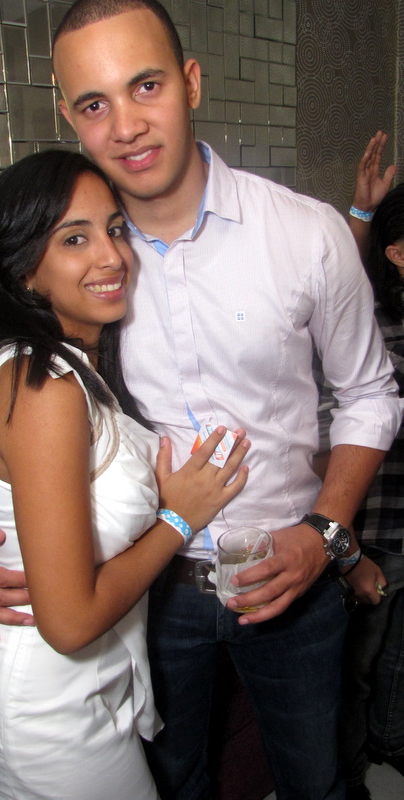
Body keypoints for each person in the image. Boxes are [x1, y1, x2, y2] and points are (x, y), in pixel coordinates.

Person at [0, 2, 402, 798]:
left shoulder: (308, 234)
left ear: (190, 83)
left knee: (318, 782)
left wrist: (324, 533)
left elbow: (368, 392)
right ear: (70, 118)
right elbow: (27, 407)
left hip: (290, 572)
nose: (125, 126)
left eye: (146, 86)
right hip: (144, 593)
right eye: (95, 104)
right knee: (173, 781)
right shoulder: (82, 262)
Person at [0, 148, 250, 800]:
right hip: (45, 713)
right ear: (24, 270)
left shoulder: (63, 367)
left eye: (114, 229)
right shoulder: (46, 388)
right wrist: (178, 518)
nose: (112, 256)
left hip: (88, 692)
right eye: (74, 238)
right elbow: (69, 622)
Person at [336, 138, 404, 800]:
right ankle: (351, 772)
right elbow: (337, 285)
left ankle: (390, 742)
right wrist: (361, 212)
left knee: (399, 656)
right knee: (358, 662)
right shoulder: (375, 325)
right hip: (375, 525)